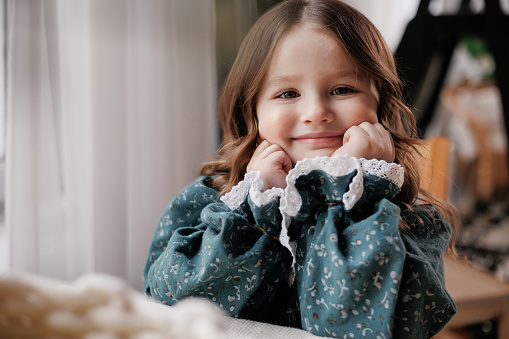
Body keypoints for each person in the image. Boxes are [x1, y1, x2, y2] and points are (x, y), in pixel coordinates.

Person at [143, 0, 457, 337]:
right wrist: (252, 215)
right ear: (252, 111)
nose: (316, 112)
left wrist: (350, 193)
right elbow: (168, 304)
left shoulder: (410, 221)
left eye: (342, 89)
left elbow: (360, 326)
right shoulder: (213, 200)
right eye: (288, 92)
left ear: (380, 101)